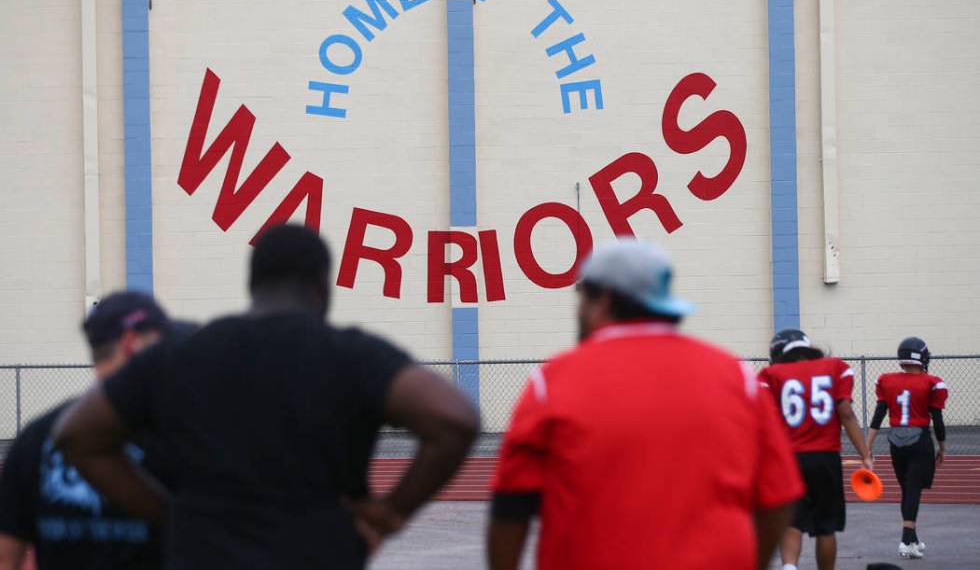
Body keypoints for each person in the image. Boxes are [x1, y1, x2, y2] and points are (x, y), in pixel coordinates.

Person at [52, 224, 479, 569]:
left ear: (252, 283)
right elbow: (454, 419)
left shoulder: (180, 355)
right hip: (319, 552)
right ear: (321, 288)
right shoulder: (351, 356)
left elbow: (78, 434)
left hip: (202, 553)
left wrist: (166, 511)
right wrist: (392, 513)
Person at [487, 238, 803, 570]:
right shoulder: (737, 377)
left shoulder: (551, 383)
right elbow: (779, 494)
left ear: (602, 299)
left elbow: (511, 505)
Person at [0, 292, 179, 569]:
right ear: (131, 344)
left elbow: (7, 552)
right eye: (161, 344)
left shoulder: (37, 435)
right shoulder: (175, 432)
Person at [758, 329, 874, 570]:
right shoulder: (836, 368)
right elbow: (846, 413)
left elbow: (763, 422)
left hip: (788, 458)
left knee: (791, 521)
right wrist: (865, 455)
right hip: (825, 457)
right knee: (826, 527)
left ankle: (789, 567)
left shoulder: (770, 374)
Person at [867, 337, 948, 560]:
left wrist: (867, 448)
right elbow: (938, 419)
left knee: (908, 489)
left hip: (896, 441)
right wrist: (942, 446)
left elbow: (877, 417)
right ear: (921, 357)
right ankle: (905, 539)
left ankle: (912, 539)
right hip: (919, 440)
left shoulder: (887, 380)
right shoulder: (932, 382)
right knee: (913, 489)